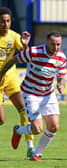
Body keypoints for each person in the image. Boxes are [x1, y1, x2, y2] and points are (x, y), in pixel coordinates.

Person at [0, 31, 67, 161]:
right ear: (47, 42)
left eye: (58, 44)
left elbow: (61, 76)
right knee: (37, 129)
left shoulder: (61, 58)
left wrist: (60, 84)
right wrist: (1, 73)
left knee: (54, 127)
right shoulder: (34, 52)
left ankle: (36, 154)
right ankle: (18, 130)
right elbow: (14, 59)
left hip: (48, 94)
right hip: (30, 93)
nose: (56, 47)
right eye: (53, 44)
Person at [0, 7, 34, 157]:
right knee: (1, 119)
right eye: (2, 21)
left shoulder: (14, 36)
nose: (6, 24)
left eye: (7, 21)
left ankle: (30, 147)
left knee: (23, 110)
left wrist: (25, 44)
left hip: (10, 79)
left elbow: (28, 55)